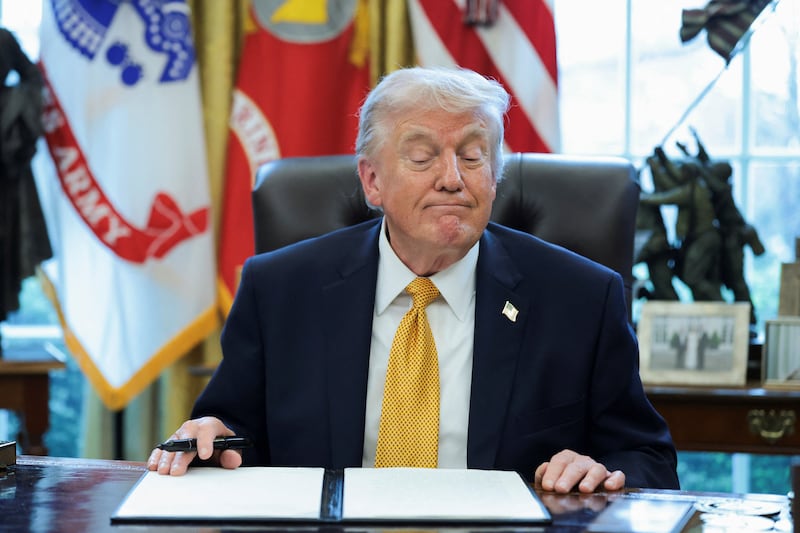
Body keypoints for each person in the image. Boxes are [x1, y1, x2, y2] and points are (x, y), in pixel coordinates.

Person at [148, 66, 679, 493]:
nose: (452, 179)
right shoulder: (280, 289)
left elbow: (646, 456)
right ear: (372, 180)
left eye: (473, 156)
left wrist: (600, 471)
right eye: (423, 157)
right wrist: (212, 441)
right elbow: (235, 436)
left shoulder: (580, 298)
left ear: (495, 176)